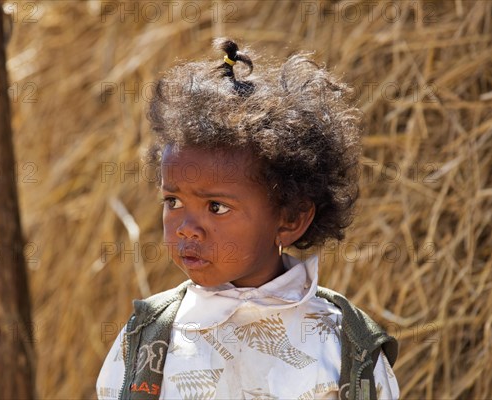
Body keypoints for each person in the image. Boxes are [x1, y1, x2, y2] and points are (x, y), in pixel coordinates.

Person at [96, 38, 400, 400]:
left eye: (216, 207)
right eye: (173, 200)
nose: (186, 228)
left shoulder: (343, 346)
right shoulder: (149, 339)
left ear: (290, 218)